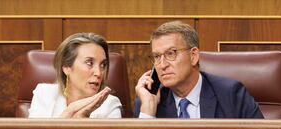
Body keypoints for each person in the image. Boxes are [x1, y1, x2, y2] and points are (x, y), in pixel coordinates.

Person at [134, 21, 264, 118]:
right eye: (157, 56)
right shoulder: (148, 102)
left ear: (193, 56)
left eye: (171, 53)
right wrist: (148, 110)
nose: (162, 65)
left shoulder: (231, 95)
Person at [29, 32, 122, 118]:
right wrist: (70, 110)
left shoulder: (110, 104)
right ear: (66, 67)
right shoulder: (44, 94)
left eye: (103, 65)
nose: (98, 73)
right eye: (89, 63)